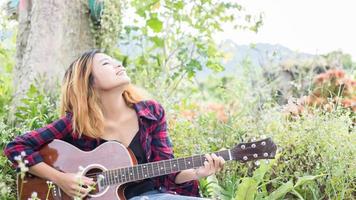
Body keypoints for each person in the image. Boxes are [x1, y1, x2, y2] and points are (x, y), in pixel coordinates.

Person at [4, 49, 225, 199]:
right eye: (106, 63)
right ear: (89, 82)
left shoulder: (151, 113)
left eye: (115, 61)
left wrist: (197, 172)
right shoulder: (76, 123)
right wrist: (61, 179)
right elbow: (16, 148)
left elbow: (165, 170)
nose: (118, 64)